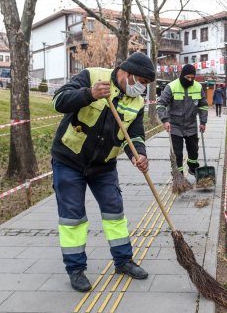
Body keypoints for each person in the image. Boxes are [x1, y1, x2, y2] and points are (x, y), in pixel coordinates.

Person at [51, 52, 154, 292]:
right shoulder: (92, 76)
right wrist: (89, 94)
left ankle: (123, 261)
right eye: (141, 82)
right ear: (126, 73)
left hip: (104, 165)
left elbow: (135, 134)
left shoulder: (136, 102)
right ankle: (76, 269)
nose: (142, 88)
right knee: (72, 218)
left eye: (146, 85)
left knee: (114, 213)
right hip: (69, 160)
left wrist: (138, 154)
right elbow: (58, 101)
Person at [156, 64, 208, 175]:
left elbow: (203, 106)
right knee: (177, 153)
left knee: (193, 151)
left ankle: (193, 168)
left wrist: (203, 122)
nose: (190, 80)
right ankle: (178, 176)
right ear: (182, 75)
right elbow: (160, 105)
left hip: (191, 125)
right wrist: (165, 120)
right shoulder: (171, 86)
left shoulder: (198, 87)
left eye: (192, 78)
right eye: (187, 77)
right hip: (175, 125)